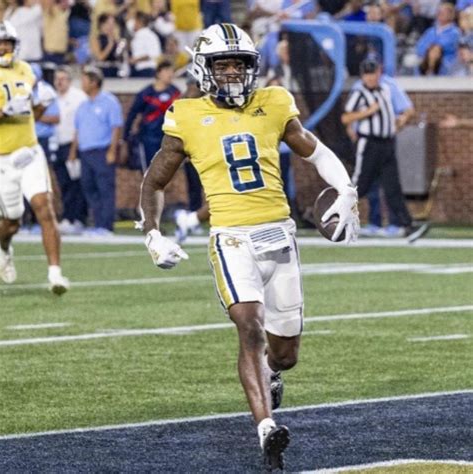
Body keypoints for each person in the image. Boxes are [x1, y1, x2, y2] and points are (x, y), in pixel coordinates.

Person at [138, 23, 359, 471]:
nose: (233, 73)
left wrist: (346, 189)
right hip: (231, 239)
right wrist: (153, 233)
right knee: (250, 326)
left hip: (279, 236)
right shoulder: (186, 116)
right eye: (223, 65)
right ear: (204, 69)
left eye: (240, 64)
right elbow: (154, 181)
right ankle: (266, 427)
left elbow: (315, 151)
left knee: (285, 354)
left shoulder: (274, 102)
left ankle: (272, 373)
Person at [0, 21, 69, 293]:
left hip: (29, 151)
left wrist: (41, 104)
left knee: (44, 206)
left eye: (7, 42)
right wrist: (6, 112)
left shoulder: (26, 70)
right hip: (2, 159)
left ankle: (55, 275)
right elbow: (12, 112)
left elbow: (32, 114)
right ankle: (4, 249)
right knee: (11, 223)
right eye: (0, 43)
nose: (3, 47)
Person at [341, 57, 429, 242]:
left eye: (373, 73)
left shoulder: (386, 89)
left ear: (379, 73)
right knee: (360, 186)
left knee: (393, 186)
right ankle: (335, 217)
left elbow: (403, 111)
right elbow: (346, 118)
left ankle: (408, 225)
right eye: (367, 74)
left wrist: (397, 123)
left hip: (387, 144)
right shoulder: (360, 92)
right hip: (369, 144)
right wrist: (368, 112)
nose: (370, 77)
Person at [69, 65, 123, 235]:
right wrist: (73, 152)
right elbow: (78, 130)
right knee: (89, 187)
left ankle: (106, 226)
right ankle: (98, 223)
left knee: (105, 188)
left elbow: (116, 127)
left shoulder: (109, 101)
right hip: (85, 153)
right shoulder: (83, 105)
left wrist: (112, 151)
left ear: (94, 82)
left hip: (102, 151)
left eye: (84, 80)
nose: (82, 84)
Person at [124, 60, 180, 168]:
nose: (170, 74)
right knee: (150, 169)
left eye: (172, 71)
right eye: (167, 70)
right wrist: (126, 136)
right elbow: (132, 113)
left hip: (169, 138)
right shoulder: (146, 93)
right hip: (149, 137)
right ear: (158, 73)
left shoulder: (175, 93)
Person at [53, 65, 88, 234]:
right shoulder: (53, 97)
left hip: (72, 145)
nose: (59, 82)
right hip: (57, 145)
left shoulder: (78, 97)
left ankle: (77, 218)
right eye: (57, 79)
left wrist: (74, 149)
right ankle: (68, 217)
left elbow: (80, 125)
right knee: (63, 183)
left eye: (63, 79)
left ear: (70, 81)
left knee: (75, 183)